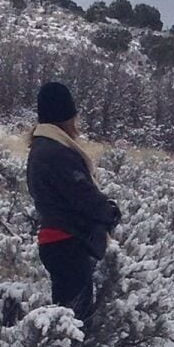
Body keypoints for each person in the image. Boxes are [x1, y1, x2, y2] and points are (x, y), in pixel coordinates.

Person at [26, 81, 121, 323]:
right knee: (74, 320)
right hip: (67, 243)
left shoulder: (42, 148)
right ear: (66, 116)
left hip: (57, 241)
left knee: (66, 316)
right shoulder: (55, 152)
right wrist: (109, 211)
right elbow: (81, 195)